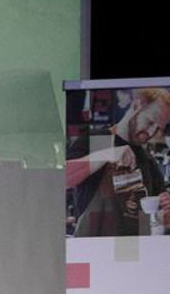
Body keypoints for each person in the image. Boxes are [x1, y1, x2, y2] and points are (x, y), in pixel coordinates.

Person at [68, 86, 170, 237]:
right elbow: (63, 179)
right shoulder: (99, 140)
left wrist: (163, 210)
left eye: (158, 129)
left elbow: (153, 217)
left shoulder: (147, 160)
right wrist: (107, 153)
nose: (151, 133)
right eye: (149, 122)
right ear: (136, 106)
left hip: (134, 248)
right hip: (93, 246)